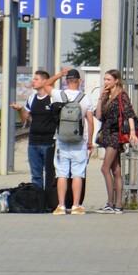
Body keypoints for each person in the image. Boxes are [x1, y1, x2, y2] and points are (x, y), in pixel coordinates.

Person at [51, 67, 95, 215]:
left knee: (62, 173)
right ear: (79, 81)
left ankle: (61, 206)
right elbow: (90, 122)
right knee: (78, 173)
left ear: (66, 81)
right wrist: (90, 142)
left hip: (62, 140)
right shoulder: (85, 99)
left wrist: (59, 74)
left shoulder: (59, 95)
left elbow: (45, 85)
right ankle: (76, 206)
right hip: (79, 141)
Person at [10, 69, 63, 189]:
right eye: (33, 79)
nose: (33, 81)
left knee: (50, 174)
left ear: (45, 81)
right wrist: (20, 110)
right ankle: (37, 200)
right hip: (33, 142)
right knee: (36, 175)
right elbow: (26, 121)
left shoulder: (52, 98)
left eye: (36, 79)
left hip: (49, 143)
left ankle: (49, 201)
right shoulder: (31, 98)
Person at [95, 68, 136, 213]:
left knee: (104, 168)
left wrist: (132, 132)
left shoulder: (121, 95)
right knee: (116, 170)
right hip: (106, 134)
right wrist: (101, 98)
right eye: (105, 79)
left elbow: (129, 113)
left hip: (115, 135)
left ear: (116, 81)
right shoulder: (107, 96)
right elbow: (98, 115)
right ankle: (118, 205)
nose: (105, 82)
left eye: (108, 80)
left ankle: (110, 203)